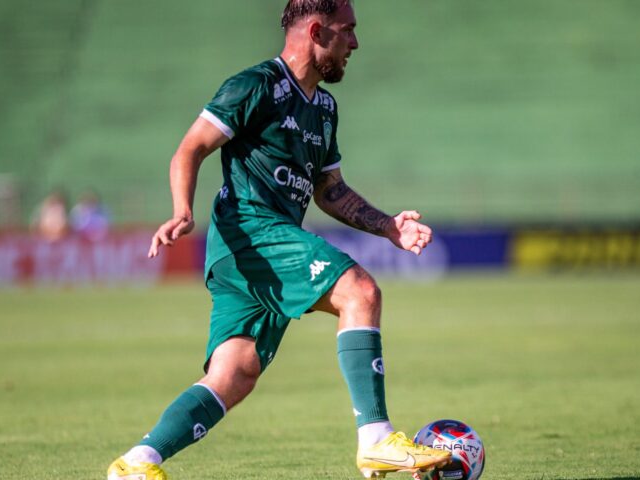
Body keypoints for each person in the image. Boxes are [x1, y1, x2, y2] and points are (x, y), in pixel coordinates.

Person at [108, 1, 450, 478]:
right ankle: (375, 438)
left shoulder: (325, 110)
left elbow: (330, 191)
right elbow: (191, 148)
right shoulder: (254, 86)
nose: (355, 43)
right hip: (252, 230)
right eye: (347, 31)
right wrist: (181, 211)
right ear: (316, 31)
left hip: (248, 252)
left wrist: (389, 226)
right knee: (361, 292)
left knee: (235, 372)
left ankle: (136, 463)